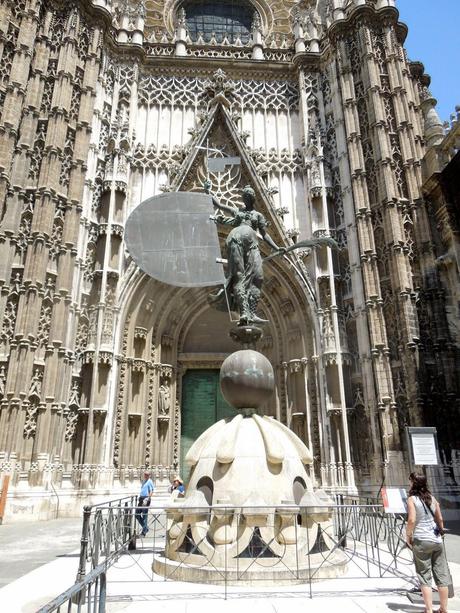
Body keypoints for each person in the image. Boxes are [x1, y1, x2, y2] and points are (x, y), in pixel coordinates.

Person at [205, 182, 284, 325]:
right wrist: (208, 191)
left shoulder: (258, 215)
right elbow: (219, 205)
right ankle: (244, 313)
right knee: (239, 276)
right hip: (235, 239)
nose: (247, 198)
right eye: (245, 196)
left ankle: (251, 312)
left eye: (249, 196)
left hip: (252, 244)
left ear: (253, 199)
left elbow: (264, 234)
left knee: (258, 277)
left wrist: (277, 247)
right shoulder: (238, 212)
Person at [406, 471, 450, 613]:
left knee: (424, 576)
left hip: (421, 540)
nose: (409, 483)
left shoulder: (412, 499)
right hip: (436, 540)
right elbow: (440, 519)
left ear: (414, 483)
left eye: (410, 481)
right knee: (441, 575)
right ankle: (443, 608)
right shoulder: (432, 498)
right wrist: (441, 532)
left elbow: (412, 520)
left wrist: (408, 537)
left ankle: (429, 609)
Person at [135, 470, 154, 536]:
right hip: (141, 498)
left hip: (146, 499)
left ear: (149, 475)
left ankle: (144, 531)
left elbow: (151, 490)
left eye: (147, 474)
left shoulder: (150, 481)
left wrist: (148, 498)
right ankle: (145, 528)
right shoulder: (144, 481)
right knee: (137, 514)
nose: (145, 475)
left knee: (144, 515)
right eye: (145, 474)